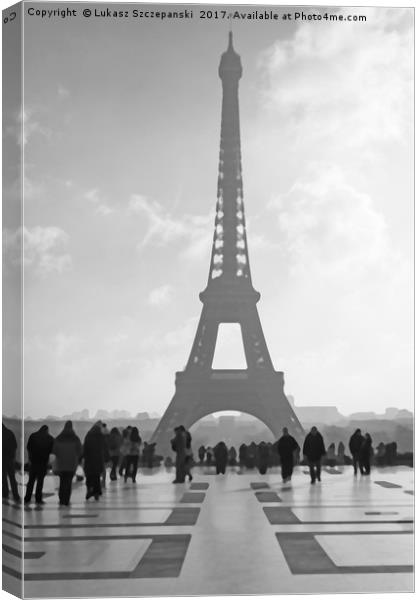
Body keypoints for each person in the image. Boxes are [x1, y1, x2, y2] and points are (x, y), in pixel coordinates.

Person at [52, 421, 82, 506]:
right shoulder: (75, 438)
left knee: (62, 482)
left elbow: (54, 450)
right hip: (72, 464)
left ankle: (61, 499)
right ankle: (66, 500)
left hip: (61, 464)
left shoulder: (59, 438)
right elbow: (80, 451)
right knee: (68, 482)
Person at [24, 425, 54, 505]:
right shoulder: (49, 438)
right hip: (43, 463)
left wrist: (30, 458)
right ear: (47, 430)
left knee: (31, 481)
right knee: (40, 482)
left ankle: (27, 498)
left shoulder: (33, 436)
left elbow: (28, 447)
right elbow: (52, 450)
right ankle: (38, 499)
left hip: (33, 462)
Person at [83, 421, 106, 500]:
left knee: (89, 477)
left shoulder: (88, 435)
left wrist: (81, 457)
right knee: (96, 477)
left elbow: (85, 448)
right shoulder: (101, 436)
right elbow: (104, 448)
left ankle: (89, 490)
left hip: (89, 459)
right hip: (98, 460)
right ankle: (96, 492)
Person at [2, 423, 20, 503]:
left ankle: (5, 493)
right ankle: (15, 495)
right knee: (12, 478)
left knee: (3, 478)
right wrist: (14, 458)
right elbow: (15, 446)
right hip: (10, 460)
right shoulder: (10, 433)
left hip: (2, 459)